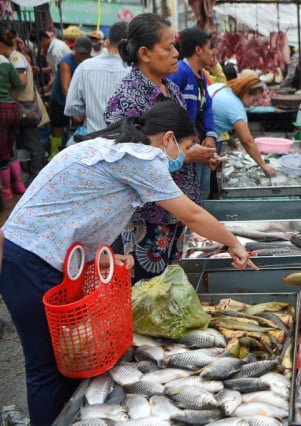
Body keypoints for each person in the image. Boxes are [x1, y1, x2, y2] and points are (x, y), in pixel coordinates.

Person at [0, 101, 256, 426]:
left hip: (39, 254)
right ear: (168, 139)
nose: (183, 155)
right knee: (47, 365)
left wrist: (98, 253)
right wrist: (233, 242)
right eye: (186, 146)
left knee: (65, 359)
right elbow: (190, 213)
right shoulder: (142, 157)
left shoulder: (117, 148)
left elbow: (81, 205)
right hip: (29, 258)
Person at [105, 13, 218, 280]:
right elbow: (130, 164)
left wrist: (198, 153)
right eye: (168, 48)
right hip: (149, 215)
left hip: (178, 208)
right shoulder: (125, 99)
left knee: (170, 287)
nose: (176, 54)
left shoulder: (171, 89)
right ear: (145, 53)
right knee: (148, 291)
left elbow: (178, 142)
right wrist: (189, 157)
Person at [169, 28, 218, 201]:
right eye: (208, 47)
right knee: (188, 196)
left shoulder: (201, 76)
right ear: (198, 50)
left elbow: (208, 106)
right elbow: (171, 111)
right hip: (185, 149)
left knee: (201, 192)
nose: (211, 52)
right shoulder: (180, 72)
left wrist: (211, 135)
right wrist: (188, 139)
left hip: (201, 143)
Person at [0, 25, 45, 188]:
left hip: (25, 107)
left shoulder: (15, 57)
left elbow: (22, 81)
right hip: (23, 107)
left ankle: (36, 175)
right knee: (27, 142)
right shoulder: (15, 56)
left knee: (32, 142)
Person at [64, 22, 130, 133]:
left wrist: (91, 108)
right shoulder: (137, 70)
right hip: (129, 141)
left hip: (95, 140)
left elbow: (71, 106)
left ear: (107, 43)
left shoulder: (84, 67)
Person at [209, 74, 276, 176]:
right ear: (246, 93)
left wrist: (230, 138)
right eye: (254, 100)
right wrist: (264, 166)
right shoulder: (235, 107)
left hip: (201, 135)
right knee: (201, 186)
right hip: (202, 140)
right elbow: (247, 141)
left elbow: (219, 115)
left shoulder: (222, 87)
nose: (253, 104)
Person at [49, 36, 92, 157]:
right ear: (75, 50)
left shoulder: (91, 62)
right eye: (80, 53)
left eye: (85, 53)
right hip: (61, 98)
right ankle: (54, 152)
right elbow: (65, 87)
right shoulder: (66, 62)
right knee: (57, 125)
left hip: (80, 99)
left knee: (81, 126)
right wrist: (73, 109)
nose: (82, 56)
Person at [0, 47, 24, 202]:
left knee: (1, 153)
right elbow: (19, 84)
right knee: (10, 149)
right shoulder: (4, 60)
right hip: (12, 108)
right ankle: (20, 185)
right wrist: (10, 96)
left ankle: (6, 191)